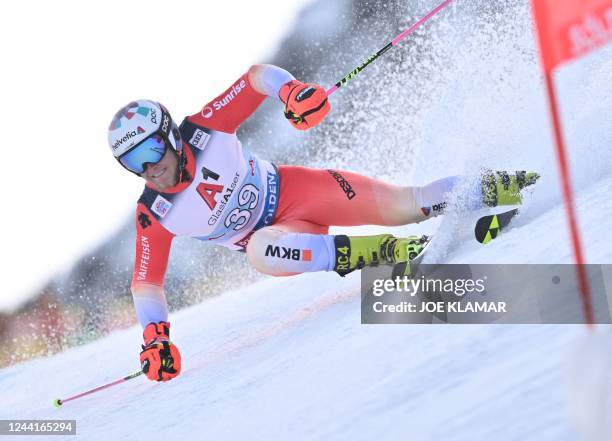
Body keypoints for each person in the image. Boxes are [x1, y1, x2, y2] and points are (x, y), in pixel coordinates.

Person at [107, 64, 538, 382]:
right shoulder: (154, 213)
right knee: (260, 251)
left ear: (171, 136)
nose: (148, 169)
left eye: (149, 152)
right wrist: (156, 337)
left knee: (410, 204)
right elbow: (146, 283)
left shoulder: (206, 129)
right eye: (131, 163)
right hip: (284, 238)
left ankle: (524, 183)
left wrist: (293, 92)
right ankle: (387, 253)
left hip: (301, 191)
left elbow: (257, 78)